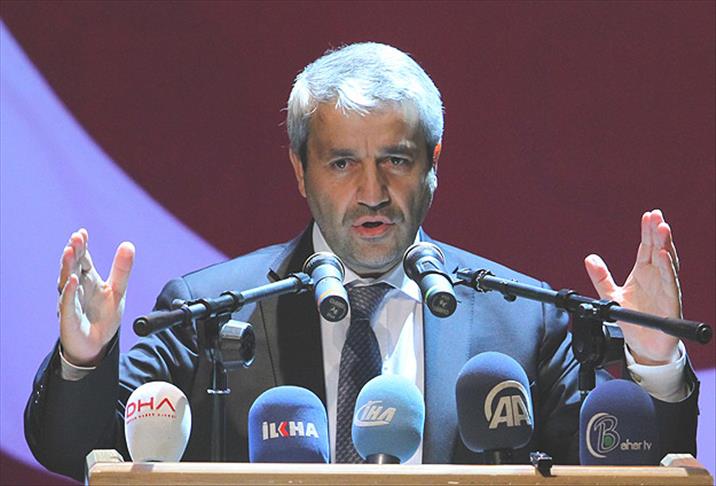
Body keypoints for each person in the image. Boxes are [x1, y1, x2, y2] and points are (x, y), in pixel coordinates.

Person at [25, 43, 698, 481]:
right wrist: (83, 359)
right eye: (343, 163)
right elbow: (71, 449)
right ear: (300, 170)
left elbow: (624, 470)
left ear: (434, 165)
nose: (372, 192)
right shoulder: (212, 312)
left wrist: (655, 362)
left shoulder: (522, 321)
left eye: (396, 161)